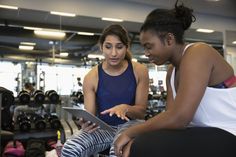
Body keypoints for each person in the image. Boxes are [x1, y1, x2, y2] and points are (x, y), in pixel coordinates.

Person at [114, 1, 236, 157]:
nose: (146, 53)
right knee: (143, 142)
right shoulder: (171, 72)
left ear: (169, 39)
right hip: (205, 131)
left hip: (230, 130)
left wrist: (130, 133)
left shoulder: (198, 52)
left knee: (144, 145)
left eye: (149, 46)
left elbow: (180, 118)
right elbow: (171, 119)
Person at [61, 24, 149, 157]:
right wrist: (85, 123)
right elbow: (90, 114)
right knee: (70, 149)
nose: (113, 53)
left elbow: (142, 112)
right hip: (104, 129)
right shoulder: (91, 77)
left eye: (119, 47)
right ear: (101, 47)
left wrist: (126, 108)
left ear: (126, 47)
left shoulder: (139, 71)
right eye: (108, 47)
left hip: (132, 125)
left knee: (117, 150)